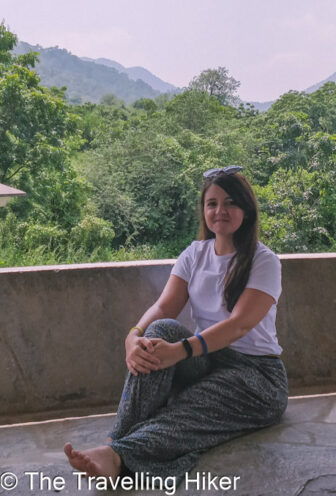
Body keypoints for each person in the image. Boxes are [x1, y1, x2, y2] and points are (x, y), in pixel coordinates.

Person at [64, 166, 288, 480]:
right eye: (212, 203)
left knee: (187, 412)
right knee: (158, 333)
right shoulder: (195, 254)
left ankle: (117, 456)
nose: (220, 210)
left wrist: (182, 350)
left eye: (230, 203)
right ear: (204, 211)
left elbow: (239, 324)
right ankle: (118, 438)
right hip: (206, 360)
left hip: (256, 376)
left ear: (247, 210)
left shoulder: (264, 261)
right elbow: (164, 306)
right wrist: (134, 336)